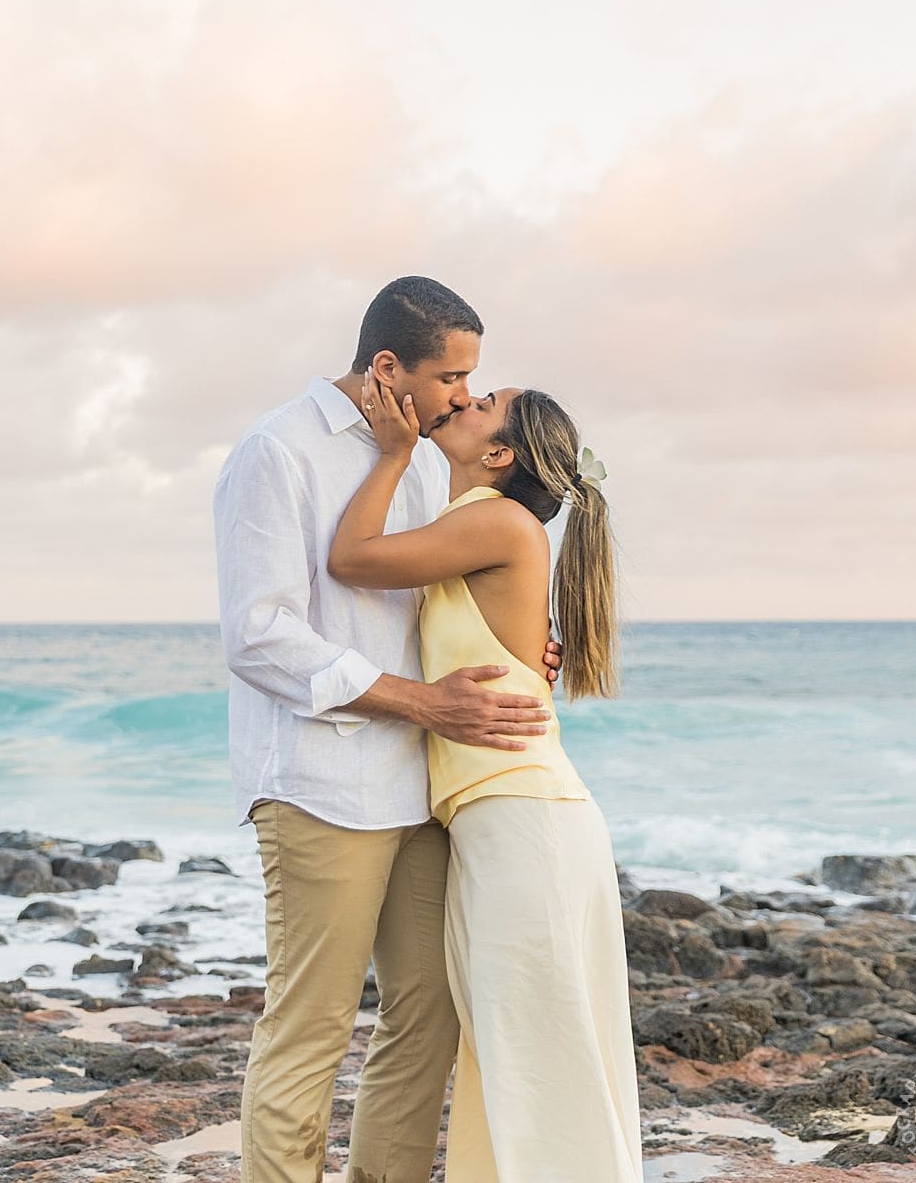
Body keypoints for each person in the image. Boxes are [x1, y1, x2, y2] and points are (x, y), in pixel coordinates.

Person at [213, 276, 563, 1183]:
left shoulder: (426, 460)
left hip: (424, 787)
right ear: (386, 366)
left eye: (471, 381)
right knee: (313, 1025)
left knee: (431, 1011)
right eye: (453, 376)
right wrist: (421, 702)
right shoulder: (277, 452)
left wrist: (522, 644)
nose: (462, 396)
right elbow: (257, 634)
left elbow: (438, 598)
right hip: (322, 783)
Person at [328, 373, 644, 1183]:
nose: (463, 402)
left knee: (541, 1061)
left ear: (499, 453)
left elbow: (350, 559)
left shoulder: (496, 521)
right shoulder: (478, 523)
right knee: (513, 1058)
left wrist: (394, 452)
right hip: (500, 823)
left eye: (482, 404)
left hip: (525, 824)